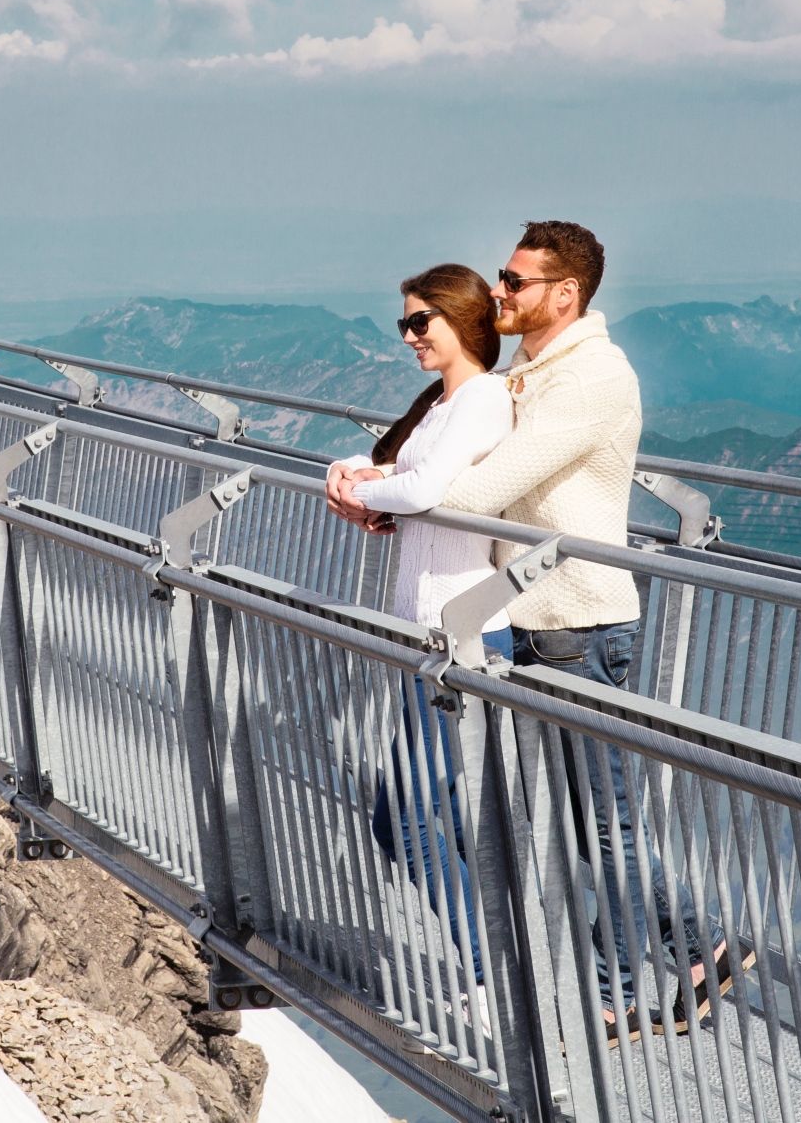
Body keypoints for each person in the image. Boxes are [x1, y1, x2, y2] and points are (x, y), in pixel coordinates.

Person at [334, 221, 745, 1047]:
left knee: (605, 823)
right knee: (595, 819)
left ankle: (618, 993)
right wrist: (392, 485)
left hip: (576, 619)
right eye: (500, 276)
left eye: (516, 282)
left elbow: (485, 489)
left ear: (566, 294)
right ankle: (700, 948)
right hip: (538, 617)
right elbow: (462, 472)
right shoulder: (536, 370)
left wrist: (391, 492)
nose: (499, 293)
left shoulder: (590, 378)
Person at [323, 264, 512, 970]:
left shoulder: (485, 400)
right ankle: (505, 964)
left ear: (461, 318)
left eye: (419, 321)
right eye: (404, 323)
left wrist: (381, 491)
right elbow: (382, 463)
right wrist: (349, 482)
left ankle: (495, 970)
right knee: (435, 820)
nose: (408, 336)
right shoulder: (440, 403)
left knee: (401, 819)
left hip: (463, 631)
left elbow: (426, 484)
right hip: (430, 631)